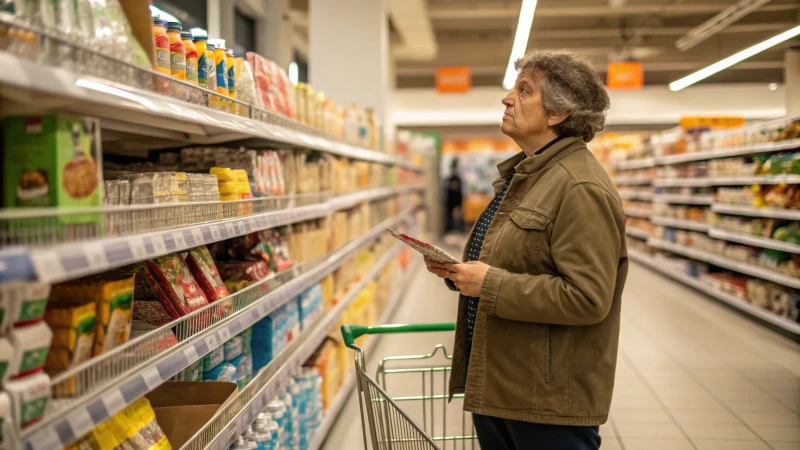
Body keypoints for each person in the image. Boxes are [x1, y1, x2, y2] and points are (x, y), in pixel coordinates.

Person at [425, 50, 627, 450]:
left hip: (545, 401)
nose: (506, 98)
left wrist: (489, 284)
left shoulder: (578, 187)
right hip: (506, 384)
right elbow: (515, 260)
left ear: (557, 113)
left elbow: (588, 298)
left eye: (524, 90)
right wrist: (461, 275)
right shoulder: (529, 174)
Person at [444, 158, 464, 233]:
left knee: (455, 215)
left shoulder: (453, 178)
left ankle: (455, 229)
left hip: (454, 199)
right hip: (453, 199)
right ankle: (454, 229)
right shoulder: (454, 178)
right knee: (452, 216)